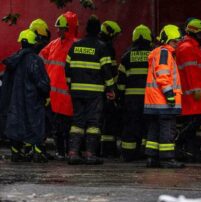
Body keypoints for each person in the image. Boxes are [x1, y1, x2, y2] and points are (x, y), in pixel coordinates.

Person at [65, 15, 115, 165]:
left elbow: (67, 68)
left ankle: (73, 153)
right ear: (99, 30)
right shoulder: (101, 47)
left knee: (77, 122)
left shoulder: (75, 46)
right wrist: (111, 88)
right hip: (94, 92)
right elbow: (106, 70)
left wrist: (70, 85)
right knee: (93, 123)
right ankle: (90, 154)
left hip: (77, 91)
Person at [0, 29, 50, 162]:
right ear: (34, 44)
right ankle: (38, 152)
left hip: (14, 101)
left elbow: (6, 82)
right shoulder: (35, 60)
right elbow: (42, 83)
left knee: (15, 125)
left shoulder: (13, 60)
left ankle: (16, 151)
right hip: (32, 100)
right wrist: (45, 94)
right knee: (36, 124)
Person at [175, 18, 201, 162]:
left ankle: (191, 151)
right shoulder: (187, 47)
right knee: (194, 122)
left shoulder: (192, 46)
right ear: (196, 33)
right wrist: (196, 89)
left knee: (195, 123)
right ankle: (179, 144)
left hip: (196, 94)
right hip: (193, 95)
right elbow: (190, 70)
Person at [144, 24, 184, 169]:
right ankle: (167, 159)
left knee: (154, 128)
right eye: (174, 41)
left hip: (154, 101)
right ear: (167, 40)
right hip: (163, 100)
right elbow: (163, 74)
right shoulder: (165, 53)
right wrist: (169, 94)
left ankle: (152, 157)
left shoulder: (158, 53)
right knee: (167, 129)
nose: (177, 44)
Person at [40, 12, 79, 160]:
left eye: (61, 28)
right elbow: (40, 60)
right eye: (58, 28)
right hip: (55, 95)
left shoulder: (74, 45)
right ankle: (61, 152)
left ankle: (67, 151)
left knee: (67, 127)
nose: (58, 31)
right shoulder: (55, 44)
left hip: (66, 95)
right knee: (57, 128)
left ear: (69, 28)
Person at [117, 24, 152, 161]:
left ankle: (128, 154)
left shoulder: (127, 57)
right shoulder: (153, 55)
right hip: (149, 99)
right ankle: (145, 152)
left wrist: (120, 98)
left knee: (130, 126)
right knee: (147, 126)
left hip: (131, 101)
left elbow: (121, 82)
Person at [99, 20, 122, 158]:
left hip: (96, 88)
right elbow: (110, 71)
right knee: (108, 119)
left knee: (98, 120)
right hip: (106, 89)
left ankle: (99, 149)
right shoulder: (107, 47)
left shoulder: (97, 44)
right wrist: (113, 89)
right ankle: (108, 150)